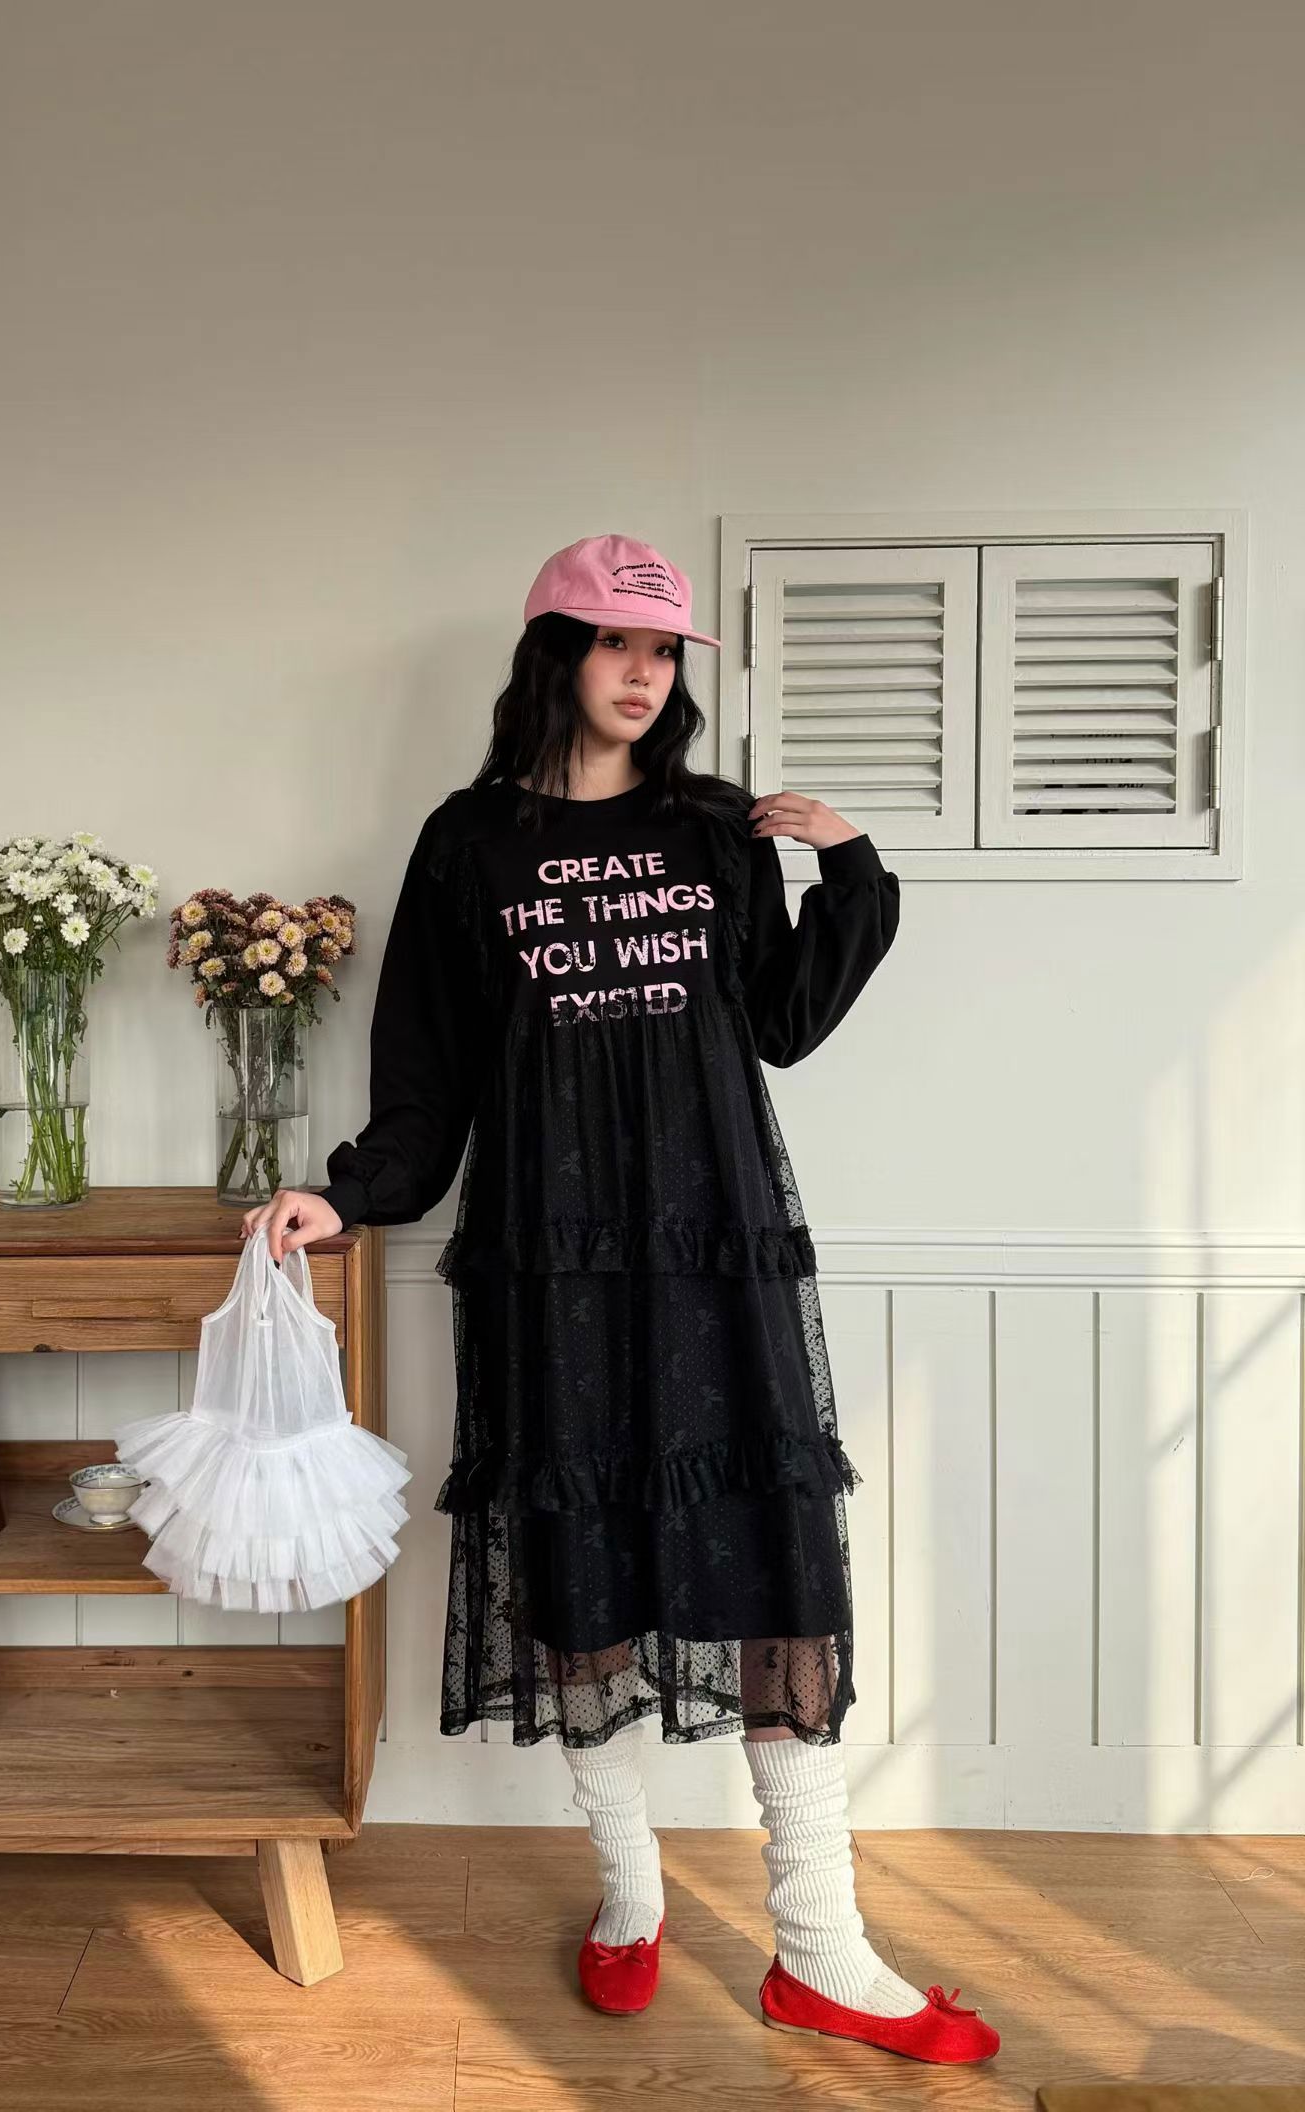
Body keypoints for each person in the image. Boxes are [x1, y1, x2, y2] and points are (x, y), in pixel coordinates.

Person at [242, 533, 1000, 2064]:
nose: (644, 674)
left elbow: (782, 1021)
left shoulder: (714, 828)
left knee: (773, 1558)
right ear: (555, 656)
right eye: (615, 644)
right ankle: (632, 1896)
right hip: (553, 1255)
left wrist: (850, 867)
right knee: (579, 1554)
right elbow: (429, 1073)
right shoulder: (468, 842)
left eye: (662, 651)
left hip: (716, 1239)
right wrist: (353, 1191)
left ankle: (821, 1945)